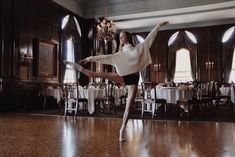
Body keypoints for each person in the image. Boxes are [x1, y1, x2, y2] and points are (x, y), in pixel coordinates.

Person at [64, 21, 169, 142]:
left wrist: (158, 26)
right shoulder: (119, 54)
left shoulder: (139, 48)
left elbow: (150, 38)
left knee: (129, 105)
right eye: (119, 37)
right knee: (98, 74)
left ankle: (122, 129)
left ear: (128, 37)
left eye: (122, 36)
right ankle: (76, 66)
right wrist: (89, 58)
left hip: (134, 79)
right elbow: (103, 57)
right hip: (123, 76)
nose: (120, 38)